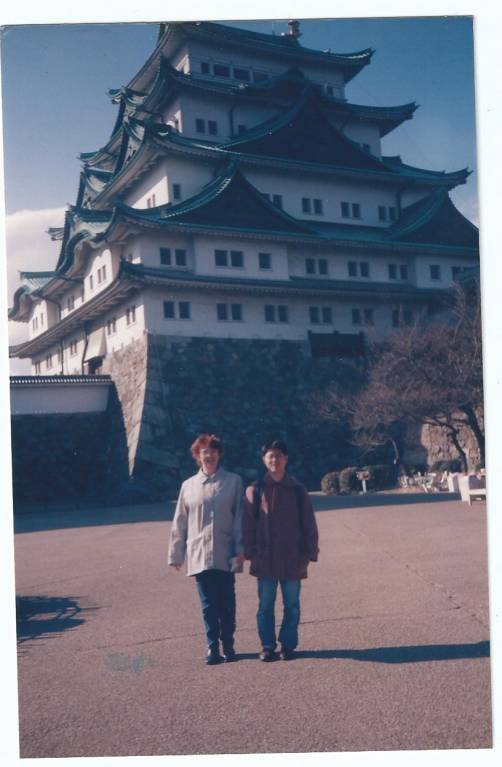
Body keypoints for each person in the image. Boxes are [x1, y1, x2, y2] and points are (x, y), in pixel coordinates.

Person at [168, 434, 245, 665]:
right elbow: (180, 521)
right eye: (204, 452)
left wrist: (241, 549)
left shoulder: (233, 482)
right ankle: (213, 647)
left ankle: (229, 645)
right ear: (197, 456)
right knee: (208, 604)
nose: (208, 455)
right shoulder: (188, 486)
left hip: (226, 551)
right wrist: (176, 554)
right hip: (199, 553)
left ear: (219, 454)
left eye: (212, 451)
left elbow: (240, 518)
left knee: (227, 602)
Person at [243, 439, 319, 661]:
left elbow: (309, 523)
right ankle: (267, 646)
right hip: (265, 558)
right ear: (264, 460)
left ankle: (288, 645)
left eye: (278, 455)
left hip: (292, 557)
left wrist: (309, 553)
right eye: (270, 456)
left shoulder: (297, 490)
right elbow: (247, 526)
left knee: (292, 605)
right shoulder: (255, 490)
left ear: (286, 459)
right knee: (265, 606)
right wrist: (251, 552)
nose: (274, 460)